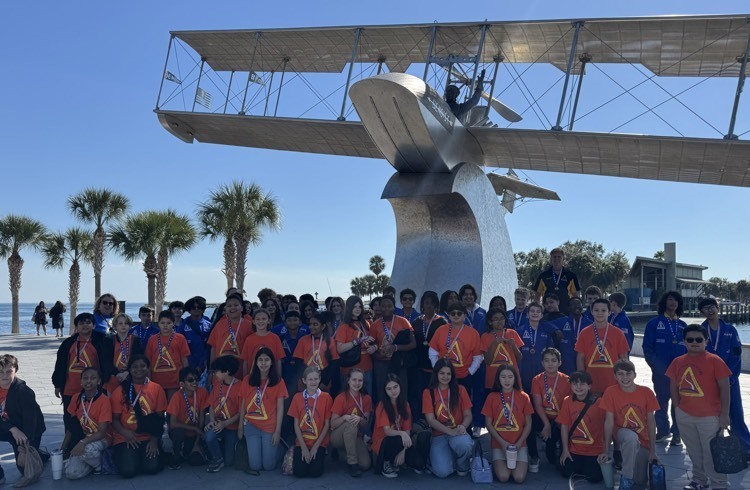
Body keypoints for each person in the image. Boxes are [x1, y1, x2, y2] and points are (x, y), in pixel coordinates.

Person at [666, 324, 732, 490]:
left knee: (712, 453)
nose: (694, 342)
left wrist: (724, 414)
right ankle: (699, 481)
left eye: (698, 339)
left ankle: (719, 484)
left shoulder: (715, 361)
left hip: (710, 417)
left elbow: (725, 387)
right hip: (685, 414)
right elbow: (673, 385)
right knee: (694, 451)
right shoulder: (677, 361)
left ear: (706, 341)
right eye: (690, 339)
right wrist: (677, 406)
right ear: (684, 342)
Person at [699, 297, 750, 460]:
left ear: (718, 308)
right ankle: (713, 449)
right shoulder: (700, 330)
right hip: (708, 381)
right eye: (706, 308)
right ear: (702, 312)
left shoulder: (730, 329)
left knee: (735, 413)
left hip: (729, 380)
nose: (710, 310)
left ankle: (745, 448)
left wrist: (730, 377)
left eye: (712, 306)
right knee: (711, 415)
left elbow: (736, 354)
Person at [53, 312, 112, 452]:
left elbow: (106, 364)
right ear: (76, 327)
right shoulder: (68, 343)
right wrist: (57, 384)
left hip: (93, 388)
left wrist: (105, 383)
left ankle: (93, 445)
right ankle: (69, 447)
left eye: (88, 322)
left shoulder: (101, 341)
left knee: (93, 418)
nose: (85, 325)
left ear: (94, 325)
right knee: (70, 420)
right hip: (70, 388)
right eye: (81, 323)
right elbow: (60, 364)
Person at [598, 359, 659, 490]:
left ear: (635, 375)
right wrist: (606, 450)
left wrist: (653, 451)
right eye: (620, 374)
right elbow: (608, 422)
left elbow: (651, 422)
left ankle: (628, 473)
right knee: (631, 438)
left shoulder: (646, 392)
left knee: (641, 481)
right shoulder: (610, 392)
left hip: (642, 440)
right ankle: (626, 481)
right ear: (615, 376)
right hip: (622, 434)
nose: (625, 377)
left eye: (628, 373)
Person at [110, 354, 166, 478]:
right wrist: (126, 433)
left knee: (152, 468)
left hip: (148, 436)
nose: (139, 369)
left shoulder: (157, 388)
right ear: (129, 370)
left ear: (148, 368)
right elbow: (114, 420)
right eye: (134, 367)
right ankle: (131, 456)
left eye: (143, 366)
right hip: (125, 437)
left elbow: (160, 418)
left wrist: (154, 440)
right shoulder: (120, 391)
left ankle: (142, 456)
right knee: (128, 471)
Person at [642, 291, 687, 445]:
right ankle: (662, 431)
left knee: (678, 403)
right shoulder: (654, 323)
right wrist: (655, 365)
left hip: (680, 373)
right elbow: (647, 347)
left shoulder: (682, 325)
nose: (673, 302)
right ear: (664, 302)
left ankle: (677, 433)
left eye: (676, 300)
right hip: (661, 371)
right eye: (670, 299)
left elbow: (689, 350)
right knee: (661, 401)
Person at [482, 364, 534, 483]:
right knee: (504, 477)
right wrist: (502, 443)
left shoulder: (523, 396)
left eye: (510, 377)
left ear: (515, 378)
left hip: (519, 444)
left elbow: (528, 424)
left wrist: (520, 443)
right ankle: (497, 463)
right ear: (498, 379)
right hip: (499, 445)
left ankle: (521, 460)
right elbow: (489, 424)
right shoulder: (491, 397)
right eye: (503, 377)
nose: (507, 380)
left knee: (519, 478)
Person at [238, 348, 288, 473]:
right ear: (256, 362)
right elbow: (243, 404)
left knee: (268, 466)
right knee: (255, 466)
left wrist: (277, 431)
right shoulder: (247, 380)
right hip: (251, 425)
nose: (263, 363)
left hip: (269, 427)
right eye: (260, 360)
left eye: (267, 360)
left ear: (272, 362)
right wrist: (240, 426)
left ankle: (281, 449)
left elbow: (281, 408)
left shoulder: (278, 381)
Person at [422, 359, 473, 478]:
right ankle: (442, 457)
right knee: (442, 472)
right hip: (439, 435)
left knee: (464, 444)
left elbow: (468, 415)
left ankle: (462, 464)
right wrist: (449, 431)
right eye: (442, 373)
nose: (445, 377)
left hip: (458, 432)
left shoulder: (460, 390)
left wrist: (463, 426)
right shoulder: (428, 392)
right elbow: (430, 420)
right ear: (436, 374)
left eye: (448, 374)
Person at [0, 354, 46, 484]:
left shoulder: (24, 392)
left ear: (16, 370)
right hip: (9, 428)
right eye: (0, 372)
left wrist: (24, 450)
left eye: (9, 371)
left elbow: (31, 424)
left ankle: (39, 454)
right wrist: (12, 429)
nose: (5, 375)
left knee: (26, 470)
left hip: (28, 431)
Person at [373, 373, 428, 478]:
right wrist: (402, 434)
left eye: (395, 387)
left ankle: (399, 460)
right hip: (384, 441)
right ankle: (386, 463)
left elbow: (407, 430)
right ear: (385, 391)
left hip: (401, 441)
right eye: (389, 389)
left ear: (400, 386)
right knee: (397, 438)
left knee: (419, 464)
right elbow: (387, 431)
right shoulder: (382, 405)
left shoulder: (405, 404)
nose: (393, 391)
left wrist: (403, 451)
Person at [557, 371, 605, 483]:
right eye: (575, 384)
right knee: (565, 472)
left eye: (582, 384)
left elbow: (608, 425)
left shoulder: (599, 402)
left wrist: (606, 450)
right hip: (574, 449)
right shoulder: (567, 401)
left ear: (589, 386)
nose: (578, 387)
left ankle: (586, 467)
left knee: (595, 478)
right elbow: (564, 425)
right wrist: (565, 450)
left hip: (594, 450)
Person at [575, 298, 629, 395]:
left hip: (613, 383)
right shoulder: (584, 333)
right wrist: (582, 379)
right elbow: (580, 358)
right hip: (591, 383)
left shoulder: (618, 333)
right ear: (591, 312)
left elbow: (624, 358)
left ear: (609, 312)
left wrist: (623, 379)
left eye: (603, 310)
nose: (600, 313)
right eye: (596, 310)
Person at [64, 367, 111, 479]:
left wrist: (82, 442)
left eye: (93, 378)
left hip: (103, 438)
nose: (89, 381)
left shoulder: (104, 400)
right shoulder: (76, 398)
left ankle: (100, 465)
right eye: (85, 378)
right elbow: (71, 427)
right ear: (81, 382)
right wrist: (62, 449)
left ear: (99, 381)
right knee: (71, 473)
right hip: (84, 439)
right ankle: (91, 463)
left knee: (87, 450)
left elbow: (102, 432)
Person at [287, 366, 333, 478]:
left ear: (320, 379)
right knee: (299, 473)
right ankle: (294, 451)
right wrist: (303, 447)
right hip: (302, 441)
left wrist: (316, 447)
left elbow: (327, 424)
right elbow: (296, 425)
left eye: (316, 379)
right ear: (304, 380)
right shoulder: (297, 397)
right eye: (310, 379)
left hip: (319, 442)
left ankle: (321, 454)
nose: (313, 382)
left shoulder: (326, 397)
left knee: (315, 473)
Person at [530, 347, 571, 470]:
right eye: (546, 361)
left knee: (553, 459)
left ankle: (558, 444)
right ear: (542, 363)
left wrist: (555, 424)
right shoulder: (537, 380)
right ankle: (534, 456)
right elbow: (537, 405)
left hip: (560, 419)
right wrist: (546, 424)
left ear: (560, 362)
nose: (550, 364)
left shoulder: (567, 380)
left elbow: (568, 406)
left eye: (553, 360)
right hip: (544, 417)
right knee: (527, 423)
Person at [428, 302, 482, 394]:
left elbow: (478, 356)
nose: (456, 315)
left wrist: (470, 371)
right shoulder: (441, 330)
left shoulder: (473, 333)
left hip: (464, 377)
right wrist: (438, 369)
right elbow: (433, 352)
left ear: (464, 315)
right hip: (443, 376)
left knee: (463, 404)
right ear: (448, 315)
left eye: (459, 313)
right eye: (453, 313)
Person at [410, 291, 448, 421]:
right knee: (419, 395)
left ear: (436, 305)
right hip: (420, 366)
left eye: (432, 303)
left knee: (435, 396)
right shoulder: (416, 322)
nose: (429, 306)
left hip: (435, 367)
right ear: (422, 305)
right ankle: (420, 421)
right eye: (426, 303)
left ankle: (437, 421)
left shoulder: (442, 322)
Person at [371, 295, 415, 404]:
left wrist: (395, 347)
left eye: (389, 306)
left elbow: (413, 344)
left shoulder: (403, 322)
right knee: (382, 392)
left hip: (399, 363)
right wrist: (378, 355)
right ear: (379, 308)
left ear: (394, 307)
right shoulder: (374, 325)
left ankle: (404, 418)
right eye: (383, 306)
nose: (386, 309)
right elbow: (371, 348)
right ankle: (384, 418)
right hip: (381, 364)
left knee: (402, 391)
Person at [330, 368, 372, 477]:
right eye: (354, 380)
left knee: (365, 465)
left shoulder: (366, 398)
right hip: (337, 436)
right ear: (348, 380)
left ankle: (342, 453)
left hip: (355, 436)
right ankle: (352, 463)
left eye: (360, 380)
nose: (357, 383)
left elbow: (365, 423)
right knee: (351, 423)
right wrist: (344, 417)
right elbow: (333, 424)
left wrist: (360, 419)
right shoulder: (341, 397)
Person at [166, 366, 209, 469]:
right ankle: (176, 455)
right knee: (177, 431)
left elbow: (202, 419)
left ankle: (192, 449)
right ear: (182, 384)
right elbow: (173, 423)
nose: (195, 382)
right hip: (181, 431)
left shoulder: (202, 392)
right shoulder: (177, 396)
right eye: (190, 380)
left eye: (197, 379)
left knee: (196, 461)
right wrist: (194, 428)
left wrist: (197, 443)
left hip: (195, 434)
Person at [205, 355, 242, 473]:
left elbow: (241, 413)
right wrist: (211, 421)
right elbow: (211, 405)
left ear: (226, 372)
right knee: (209, 436)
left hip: (232, 426)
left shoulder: (240, 386)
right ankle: (217, 458)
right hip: (217, 422)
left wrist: (225, 423)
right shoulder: (217, 384)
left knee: (229, 462)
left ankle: (222, 447)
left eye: (217, 371)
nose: (215, 374)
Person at [335, 296, 377, 397]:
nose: (358, 309)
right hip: (350, 367)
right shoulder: (343, 326)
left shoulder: (366, 323)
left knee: (367, 397)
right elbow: (339, 349)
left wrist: (374, 347)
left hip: (367, 367)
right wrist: (356, 341)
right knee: (349, 398)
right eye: (354, 307)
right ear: (349, 308)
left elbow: (374, 341)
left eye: (360, 306)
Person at [144, 310, 190, 401]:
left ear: (174, 323)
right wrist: (148, 380)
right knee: (158, 409)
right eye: (162, 323)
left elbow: (184, 359)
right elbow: (148, 361)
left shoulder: (180, 338)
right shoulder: (152, 340)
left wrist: (185, 378)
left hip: (174, 381)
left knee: (173, 409)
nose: (165, 325)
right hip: (156, 381)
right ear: (158, 324)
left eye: (168, 323)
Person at [293, 312, 339, 392]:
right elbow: (298, 362)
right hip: (306, 379)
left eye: (315, 324)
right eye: (310, 324)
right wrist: (304, 379)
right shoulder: (303, 340)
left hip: (324, 378)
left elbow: (334, 364)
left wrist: (324, 382)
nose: (311, 327)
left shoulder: (330, 341)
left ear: (323, 326)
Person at [480, 307, 523, 392]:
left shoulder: (512, 333)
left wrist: (513, 346)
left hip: (512, 377)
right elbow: (487, 362)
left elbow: (519, 358)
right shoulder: (485, 336)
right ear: (490, 322)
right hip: (493, 378)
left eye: (502, 318)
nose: (499, 321)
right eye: (496, 319)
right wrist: (494, 344)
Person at [208, 292, 253, 365]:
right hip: (220, 370)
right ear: (225, 309)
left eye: (236, 305)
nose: (232, 308)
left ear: (241, 308)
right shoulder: (219, 325)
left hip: (241, 369)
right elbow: (213, 347)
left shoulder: (249, 325)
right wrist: (211, 369)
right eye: (229, 306)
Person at [272, 310, 309, 399]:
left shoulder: (305, 338)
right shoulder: (280, 338)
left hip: (301, 370)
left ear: (300, 322)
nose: (292, 322)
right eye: (289, 320)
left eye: (295, 320)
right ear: (285, 323)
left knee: (302, 396)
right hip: (286, 371)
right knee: (287, 397)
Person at [533, 248, 581, 315]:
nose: (557, 259)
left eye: (559, 257)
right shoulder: (543, 276)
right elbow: (537, 296)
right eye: (554, 257)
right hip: (548, 312)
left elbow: (575, 296)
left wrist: (576, 310)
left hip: (566, 312)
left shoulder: (571, 275)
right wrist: (537, 310)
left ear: (563, 259)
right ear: (551, 259)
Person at [105, 313, 143, 394]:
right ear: (115, 326)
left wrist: (127, 372)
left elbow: (139, 359)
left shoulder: (135, 340)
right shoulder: (109, 341)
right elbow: (105, 361)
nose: (123, 326)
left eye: (126, 323)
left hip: (131, 376)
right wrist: (117, 374)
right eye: (120, 323)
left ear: (129, 326)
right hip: (113, 377)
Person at [241, 308, 284, 378]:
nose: (261, 321)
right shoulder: (249, 339)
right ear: (253, 321)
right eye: (258, 319)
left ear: (269, 321)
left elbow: (278, 361)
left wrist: (279, 378)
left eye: (264, 319)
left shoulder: (275, 338)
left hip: (270, 378)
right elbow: (245, 362)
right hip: (253, 378)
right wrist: (245, 380)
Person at [177, 296, 212, 376]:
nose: (196, 309)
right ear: (189, 309)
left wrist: (201, 365)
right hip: (188, 364)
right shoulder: (183, 326)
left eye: (199, 307)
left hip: (205, 363)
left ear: (203, 309)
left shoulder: (209, 326)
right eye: (193, 307)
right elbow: (180, 348)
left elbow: (210, 347)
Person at [554, 296, 585, 375]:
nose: (577, 306)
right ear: (569, 308)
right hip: (567, 362)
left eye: (579, 304)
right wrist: (555, 329)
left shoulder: (589, 323)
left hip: (584, 360)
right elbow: (545, 324)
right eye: (573, 304)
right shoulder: (562, 321)